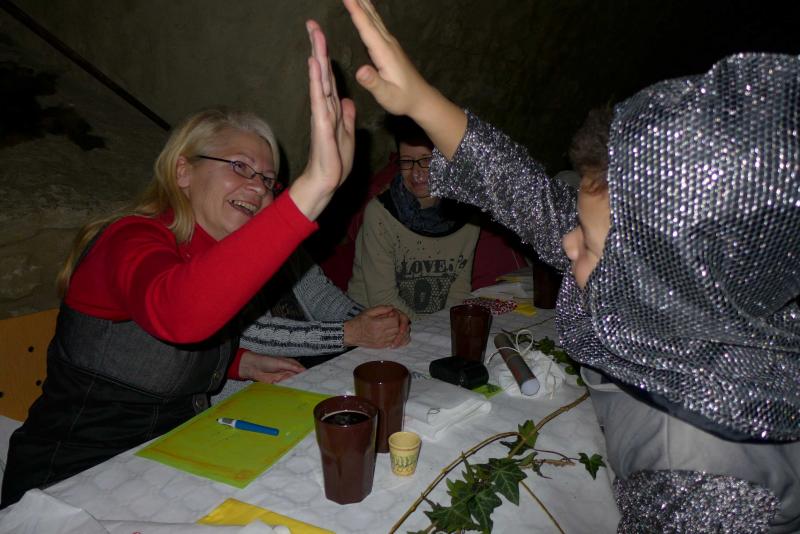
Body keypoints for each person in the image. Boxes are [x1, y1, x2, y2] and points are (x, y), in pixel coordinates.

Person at [342, 0, 799, 531]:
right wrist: (422, 101)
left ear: (663, 286)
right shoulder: (709, 299)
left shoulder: (698, 473)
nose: (565, 240)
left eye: (590, 245)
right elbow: (529, 198)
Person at [0, 19, 356, 509]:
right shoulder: (131, 237)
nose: (257, 187)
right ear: (183, 171)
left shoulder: (217, 254)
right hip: (71, 482)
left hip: (163, 463)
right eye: (239, 166)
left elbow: (168, 342)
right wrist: (311, 190)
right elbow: (177, 313)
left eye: (268, 179)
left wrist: (236, 362)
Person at [214, 248, 410, 400]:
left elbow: (321, 296)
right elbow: (245, 334)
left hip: (313, 371)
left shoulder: (280, 237)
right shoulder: (218, 250)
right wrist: (347, 333)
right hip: (246, 393)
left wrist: (375, 321)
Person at [347, 116, 480, 320]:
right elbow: (383, 300)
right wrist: (432, 330)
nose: (417, 172)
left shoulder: (468, 218)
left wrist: (444, 328)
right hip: (373, 324)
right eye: (407, 161)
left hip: (429, 329)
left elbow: (458, 291)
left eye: (427, 160)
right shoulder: (381, 214)